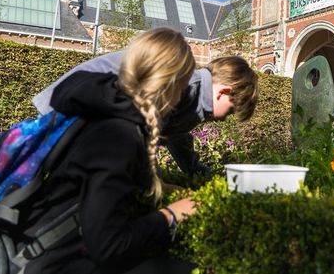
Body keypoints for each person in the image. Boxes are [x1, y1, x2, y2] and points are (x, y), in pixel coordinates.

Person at [25, 28, 203, 273]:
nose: (182, 95)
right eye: (182, 86)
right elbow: (107, 246)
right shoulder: (119, 136)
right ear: (170, 84)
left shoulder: (113, 115)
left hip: (57, 252)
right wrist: (173, 214)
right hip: (59, 263)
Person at [33, 45, 258, 174]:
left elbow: (177, 136)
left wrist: (195, 170)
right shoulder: (186, 85)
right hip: (70, 113)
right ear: (224, 92)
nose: (223, 120)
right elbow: (140, 133)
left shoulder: (195, 94)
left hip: (78, 113)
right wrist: (155, 183)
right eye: (229, 111)